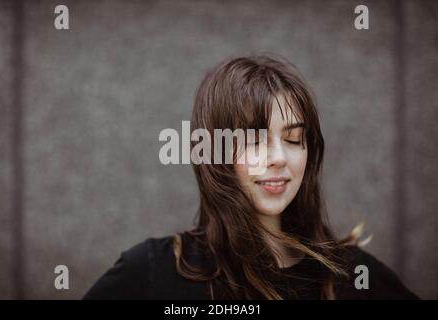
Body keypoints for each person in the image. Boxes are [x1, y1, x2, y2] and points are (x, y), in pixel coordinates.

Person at [83, 55, 418, 300]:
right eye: (253, 140)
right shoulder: (152, 272)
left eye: (293, 139)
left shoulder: (356, 277)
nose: (277, 158)